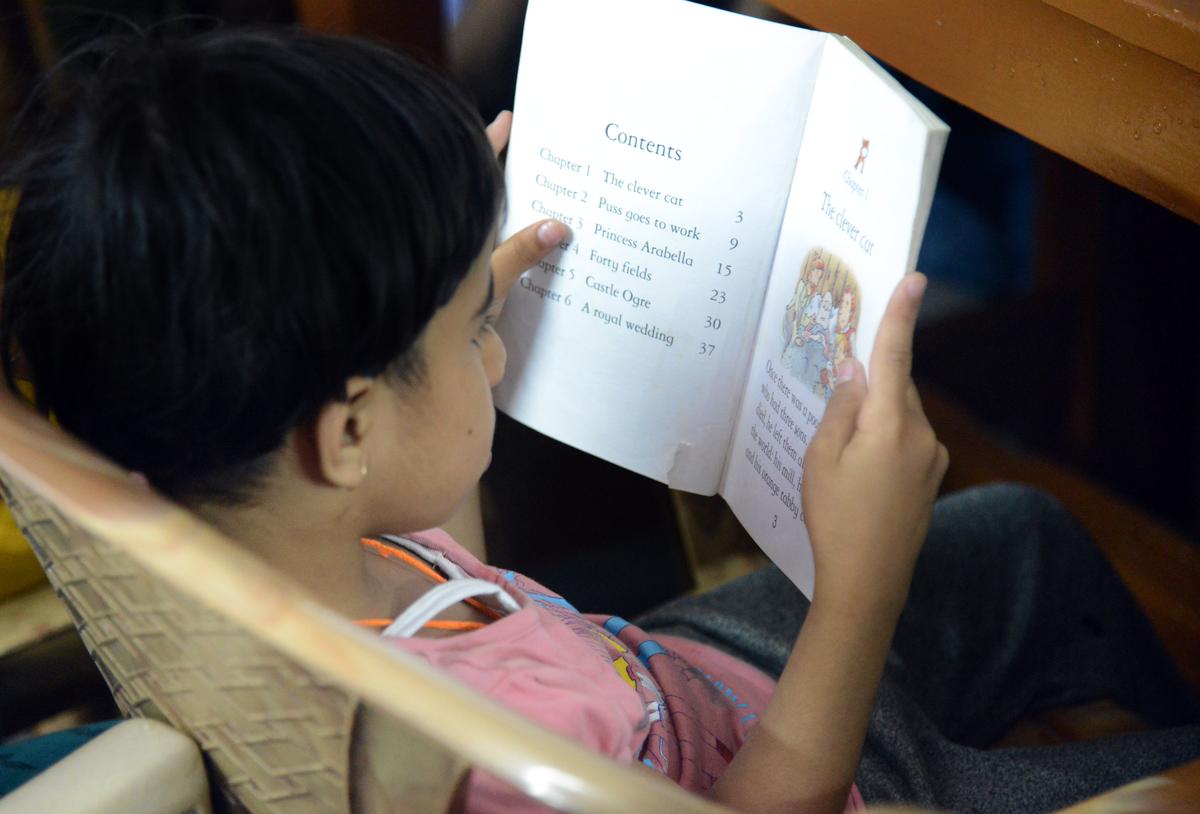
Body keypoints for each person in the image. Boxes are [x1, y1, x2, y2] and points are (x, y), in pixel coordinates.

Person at [1, 26, 1196, 814]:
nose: (493, 338)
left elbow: (444, 558)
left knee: (1023, 532)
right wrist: (858, 588)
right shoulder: (493, 759)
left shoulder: (245, 523)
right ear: (348, 432)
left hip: (676, 680)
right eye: (475, 324)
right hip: (791, 775)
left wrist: (432, 269)